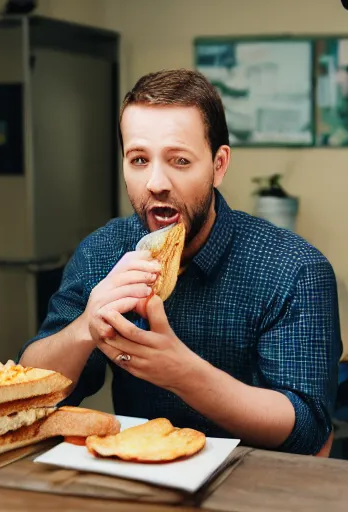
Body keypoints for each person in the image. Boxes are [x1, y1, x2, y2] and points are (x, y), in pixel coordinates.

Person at [18, 68, 342, 455]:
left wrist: (183, 374)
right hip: (140, 476)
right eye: (139, 159)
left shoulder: (295, 269)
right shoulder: (101, 253)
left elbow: (307, 429)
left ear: (218, 166)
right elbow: (31, 394)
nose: (156, 182)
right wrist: (86, 326)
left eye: (180, 161)